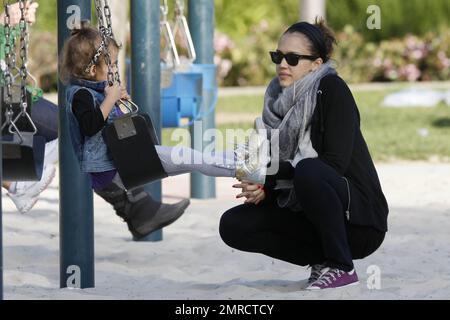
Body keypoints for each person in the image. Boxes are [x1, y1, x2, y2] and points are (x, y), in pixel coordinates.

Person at [219, 18, 389, 290]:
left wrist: (269, 177)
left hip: (358, 220)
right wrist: (266, 189)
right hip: (311, 212)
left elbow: (333, 164)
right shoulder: (275, 100)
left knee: (311, 169)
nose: (283, 64)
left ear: (316, 64)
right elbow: (281, 165)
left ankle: (341, 266)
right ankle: (321, 260)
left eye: (293, 58)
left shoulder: (333, 90)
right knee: (233, 225)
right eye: (278, 56)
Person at [59, 23, 268, 240]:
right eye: (110, 65)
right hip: (115, 168)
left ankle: (242, 159)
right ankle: (243, 164)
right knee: (190, 157)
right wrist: (111, 99)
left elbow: (109, 127)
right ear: (92, 70)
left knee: (192, 159)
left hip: (121, 162)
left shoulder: (94, 91)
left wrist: (117, 103)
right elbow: (90, 125)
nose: (114, 71)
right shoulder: (80, 95)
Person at [0, 1, 59, 213]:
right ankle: (17, 182)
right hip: (5, 98)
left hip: (8, 94)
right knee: (73, 128)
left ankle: (16, 184)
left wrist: (13, 23)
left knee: (74, 127)